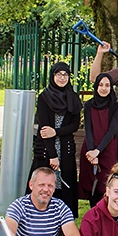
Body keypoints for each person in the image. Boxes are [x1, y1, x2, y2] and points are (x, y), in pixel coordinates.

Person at [29, 62, 82, 217]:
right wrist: (53, 155)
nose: (62, 78)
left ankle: (62, 222)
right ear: (53, 76)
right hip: (47, 149)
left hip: (65, 148)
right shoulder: (45, 97)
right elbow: (44, 130)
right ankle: (39, 218)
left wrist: (56, 131)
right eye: (59, 74)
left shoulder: (73, 97)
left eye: (65, 75)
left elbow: (74, 125)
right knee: (44, 183)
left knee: (65, 185)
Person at [78, 73, 118, 207]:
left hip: (107, 149)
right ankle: (94, 217)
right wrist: (92, 152)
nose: (104, 88)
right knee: (92, 186)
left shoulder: (116, 106)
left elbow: (111, 131)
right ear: (96, 86)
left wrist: (98, 151)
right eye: (101, 85)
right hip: (90, 150)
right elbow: (88, 129)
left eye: (107, 85)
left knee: (105, 185)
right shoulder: (89, 105)